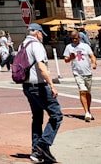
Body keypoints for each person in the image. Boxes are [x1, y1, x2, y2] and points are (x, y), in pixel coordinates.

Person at [20, 23, 62, 164]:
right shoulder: (36, 45)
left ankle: (36, 151)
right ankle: (42, 145)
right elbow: (41, 66)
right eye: (41, 34)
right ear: (37, 33)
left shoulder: (22, 45)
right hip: (39, 86)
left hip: (27, 86)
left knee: (37, 117)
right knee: (56, 115)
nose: (42, 37)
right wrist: (51, 85)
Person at [63, 30, 97, 121]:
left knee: (88, 93)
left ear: (79, 38)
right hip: (77, 73)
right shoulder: (69, 47)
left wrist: (94, 63)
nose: (74, 40)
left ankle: (88, 110)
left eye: (76, 38)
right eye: (72, 38)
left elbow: (92, 56)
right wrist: (70, 58)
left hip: (87, 72)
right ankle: (86, 112)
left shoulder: (85, 46)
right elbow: (66, 60)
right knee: (82, 91)